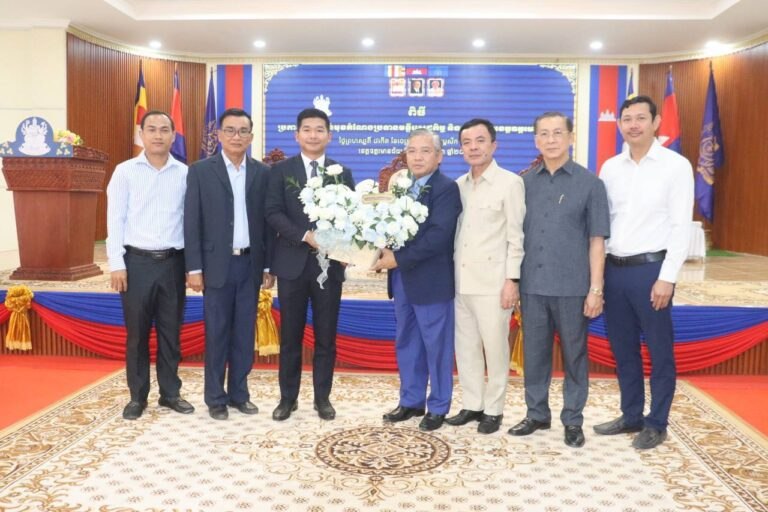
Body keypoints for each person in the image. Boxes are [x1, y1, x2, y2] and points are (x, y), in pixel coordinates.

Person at [595, 95, 693, 449]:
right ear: (619, 124)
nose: (633, 124)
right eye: (627, 118)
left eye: (640, 118)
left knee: (659, 351)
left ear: (656, 123)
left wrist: (667, 276)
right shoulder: (610, 168)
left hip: (651, 271)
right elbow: (603, 224)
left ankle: (657, 422)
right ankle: (631, 414)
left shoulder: (675, 166)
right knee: (623, 350)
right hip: (615, 270)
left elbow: (681, 226)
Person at [507, 112, 610, 447]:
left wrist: (596, 289)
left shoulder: (590, 184)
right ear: (535, 140)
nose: (550, 140)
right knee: (534, 355)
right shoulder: (524, 184)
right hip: (533, 286)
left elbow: (597, 241)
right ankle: (537, 413)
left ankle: (573, 419)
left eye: (557, 133)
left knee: (574, 356)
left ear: (570, 137)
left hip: (572, 288)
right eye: (544, 134)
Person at [184, 107, 274, 421]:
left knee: (244, 334)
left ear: (251, 136)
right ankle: (215, 398)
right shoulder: (200, 171)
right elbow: (191, 221)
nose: (237, 136)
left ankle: (239, 394)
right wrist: (194, 268)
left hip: (250, 265)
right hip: (215, 267)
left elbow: (267, 223)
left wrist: (267, 267)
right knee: (217, 333)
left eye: (243, 131)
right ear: (219, 135)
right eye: (231, 130)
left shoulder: (263, 173)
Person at [265, 108, 354, 421]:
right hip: (291, 265)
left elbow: (351, 216)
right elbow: (272, 212)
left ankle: (322, 399)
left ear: (329, 135)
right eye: (307, 129)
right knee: (290, 337)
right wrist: (305, 235)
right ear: (297, 135)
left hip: (329, 267)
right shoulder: (281, 171)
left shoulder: (342, 172)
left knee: (326, 337)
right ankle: (287, 399)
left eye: (319, 130)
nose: (313, 135)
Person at [107, 110, 194, 420]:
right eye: (152, 129)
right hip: (136, 264)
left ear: (173, 135)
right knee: (137, 334)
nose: (158, 135)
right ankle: (137, 396)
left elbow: (190, 222)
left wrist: (192, 266)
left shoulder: (185, 173)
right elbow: (115, 219)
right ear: (141, 134)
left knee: (171, 332)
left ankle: (170, 393)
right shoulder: (125, 172)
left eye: (164, 130)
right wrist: (116, 263)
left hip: (173, 263)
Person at [373, 128, 462, 432]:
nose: (418, 157)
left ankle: (438, 406)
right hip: (402, 280)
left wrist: (397, 258)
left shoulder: (446, 189)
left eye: (425, 151)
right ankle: (410, 401)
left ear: (439, 156)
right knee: (407, 341)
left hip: (432, 281)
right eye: (412, 151)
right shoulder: (401, 188)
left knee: (437, 347)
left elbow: (439, 236)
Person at [446, 119, 525, 434]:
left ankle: (494, 409)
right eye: (467, 142)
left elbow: (516, 237)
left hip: (493, 284)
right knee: (466, 347)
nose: (473, 147)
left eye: (480, 140)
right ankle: (472, 404)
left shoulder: (510, 184)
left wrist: (512, 281)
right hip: (460, 281)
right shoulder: (458, 185)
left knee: (495, 349)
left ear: (494, 145)